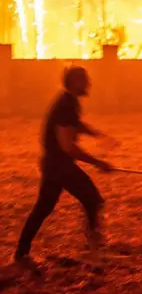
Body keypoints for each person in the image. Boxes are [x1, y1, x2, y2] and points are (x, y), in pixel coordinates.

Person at [15, 66, 115, 263]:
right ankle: (94, 248)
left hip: (53, 164)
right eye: (85, 79)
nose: (90, 83)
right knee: (93, 199)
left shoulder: (68, 101)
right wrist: (98, 162)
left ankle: (21, 252)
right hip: (59, 166)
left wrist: (96, 135)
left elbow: (75, 124)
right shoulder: (66, 106)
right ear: (75, 82)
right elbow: (67, 147)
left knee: (43, 207)